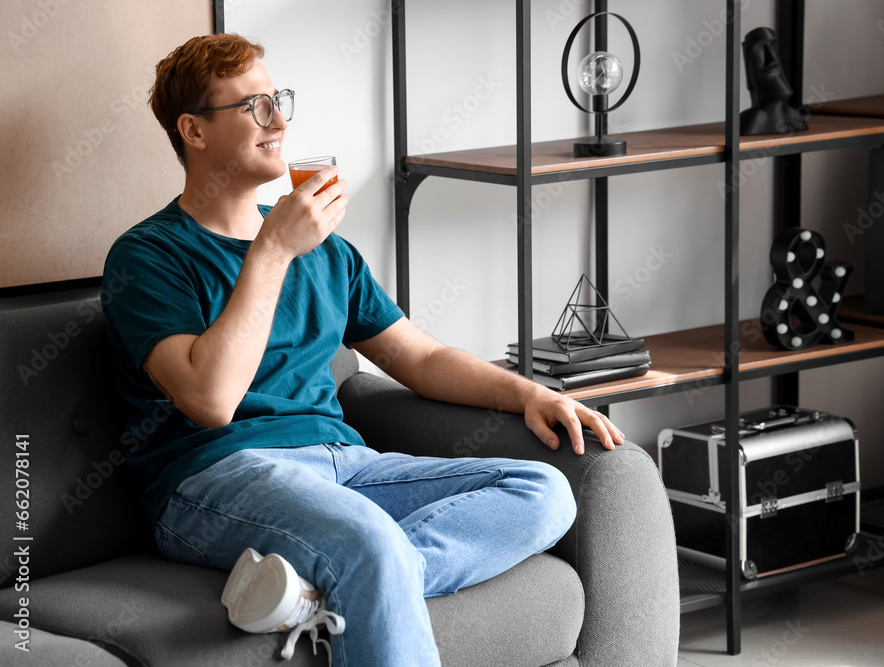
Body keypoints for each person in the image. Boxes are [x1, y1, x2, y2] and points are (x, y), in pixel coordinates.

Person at [101, 33, 625, 667]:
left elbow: (421, 360)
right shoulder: (149, 255)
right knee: (368, 542)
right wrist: (272, 250)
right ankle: (363, 570)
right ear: (195, 131)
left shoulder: (330, 255)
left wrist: (531, 392)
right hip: (215, 476)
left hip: (346, 464)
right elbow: (210, 400)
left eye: (279, 100)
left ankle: (317, 593)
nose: (279, 120)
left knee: (543, 491)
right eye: (253, 106)